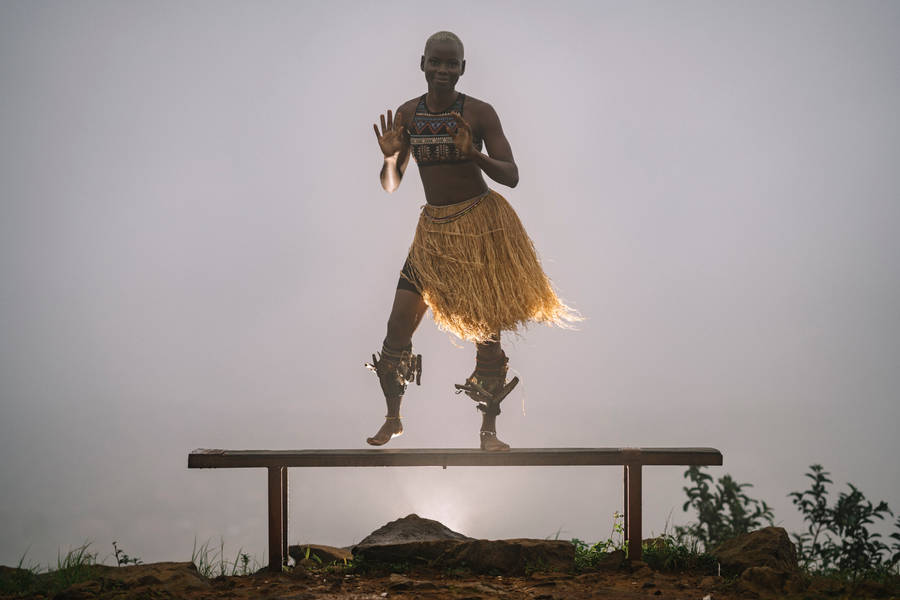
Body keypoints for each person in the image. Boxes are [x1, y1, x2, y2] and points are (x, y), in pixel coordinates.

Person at [367, 31, 577, 451]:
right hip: (433, 233)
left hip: (480, 229)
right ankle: (393, 418)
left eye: (452, 64)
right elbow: (391, 185)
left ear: (462, 69)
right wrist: (391, 157)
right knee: (396, 326)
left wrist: (474, 154)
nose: (443, 71)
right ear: (422, 63)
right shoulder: (408, 115)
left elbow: (512, 175)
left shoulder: (479, 114)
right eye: (436, 63)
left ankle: (489, 432)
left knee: (486, 333)